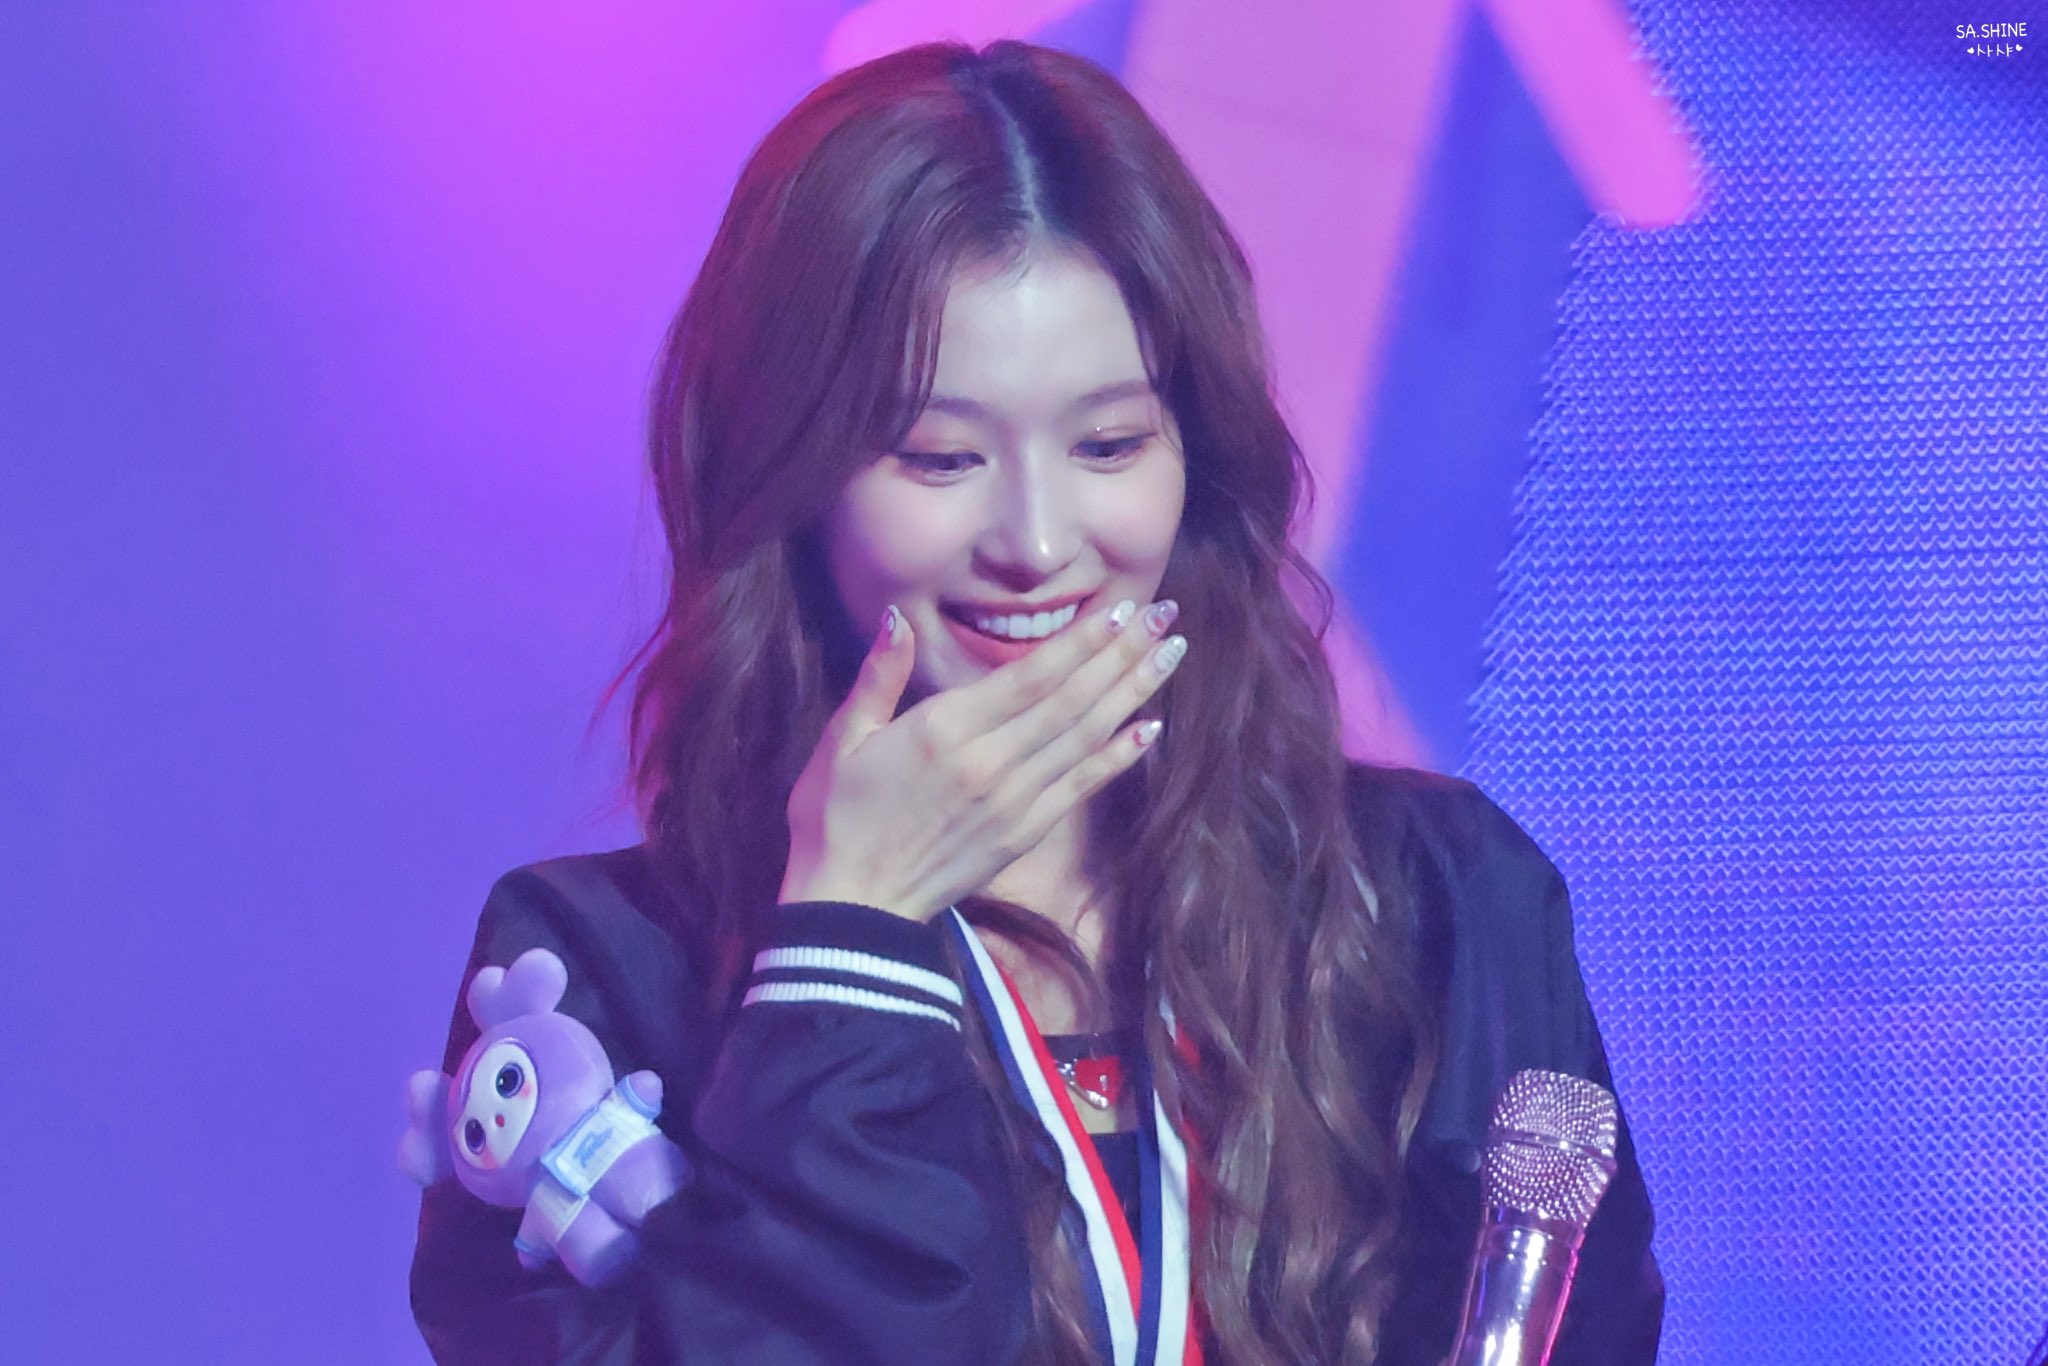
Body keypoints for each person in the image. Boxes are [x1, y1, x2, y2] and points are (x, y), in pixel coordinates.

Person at [409, 37, 1663, 1366]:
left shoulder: (1441, 908)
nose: (1040, 541)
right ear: (791, 477)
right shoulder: (593, 985)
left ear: (1199, 459)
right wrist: (847, 942)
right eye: (940, 456)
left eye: (1110, 444)